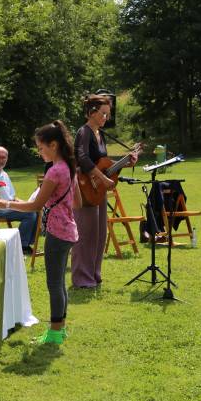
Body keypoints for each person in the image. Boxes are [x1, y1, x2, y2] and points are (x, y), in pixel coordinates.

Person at [0, 120, 81, 344]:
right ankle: (59, 329)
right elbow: (78, 202)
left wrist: (3, 204)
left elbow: (34, 206)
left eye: (41, 148)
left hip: (57, 233)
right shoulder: (69, 168)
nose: (39, 152)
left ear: (53, 145)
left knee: (54, 283)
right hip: (68, 230)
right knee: (60, 282)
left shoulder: (54, 171)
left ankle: (54, 333)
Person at [71, 94, 138, 288]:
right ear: (92, 112)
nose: (105, 118)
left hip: (97, 188)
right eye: (103, 114)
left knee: (99, 234)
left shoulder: (100, 134)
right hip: (84, 188)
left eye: (108, 114)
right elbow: (82, 159)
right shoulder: (84, 132)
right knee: (85, 234)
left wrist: (126, 163)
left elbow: (104, 165)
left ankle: (93, 274)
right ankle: (82, 278)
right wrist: (103, 178)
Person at [0, 146, 37, 254]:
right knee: (30, 214)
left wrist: (28, 204)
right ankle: (21, 246)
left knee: (35, 209)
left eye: (4, 157)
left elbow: (13, 197)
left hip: (9, 205)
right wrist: (20, 206)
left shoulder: (4, 173)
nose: (1, 160)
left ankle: (27, 243)